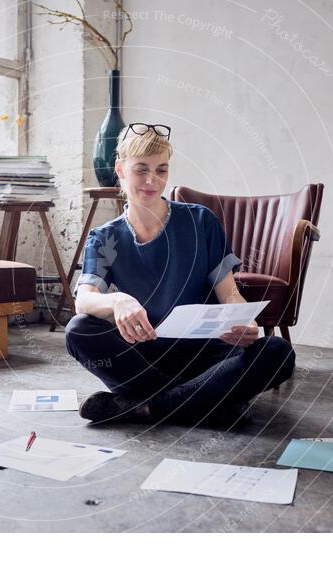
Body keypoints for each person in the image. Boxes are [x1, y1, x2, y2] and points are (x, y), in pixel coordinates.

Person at [65, 123, 295, 427]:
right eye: (141, 169)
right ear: (120, 169)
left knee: (278, 352)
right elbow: (84, 301)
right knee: (79, 330)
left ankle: (148, 407)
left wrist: (246, 323)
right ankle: (209, 402)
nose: (152, 181)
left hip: (209, 356)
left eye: (161, 170)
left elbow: (229, 294)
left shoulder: (201, 221)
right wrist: (117, 300)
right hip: (145, 358)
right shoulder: (105, 237)